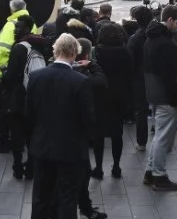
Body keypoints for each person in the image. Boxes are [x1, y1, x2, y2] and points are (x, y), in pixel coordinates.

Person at [26, 33, 94, 219]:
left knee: (41, 196)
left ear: (55, 51)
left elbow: (29, 114)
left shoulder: (36, 77)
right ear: (75, 53)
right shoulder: (80, 82)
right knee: (67, 198)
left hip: (42, 147)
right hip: (70, 150)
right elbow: (87, 120)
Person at [143, 5, 177, 191]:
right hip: (165, 94)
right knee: (163, 137)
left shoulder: (150, 38)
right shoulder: (166, 44)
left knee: (159, 134)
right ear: (169, 20)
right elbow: (169, 74)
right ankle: (159, 175)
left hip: (152, 91)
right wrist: (176, 96)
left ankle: (150, 171)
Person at [0, 0, 36, 154]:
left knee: (3, 110)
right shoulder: (31, 23)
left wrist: (1, 74)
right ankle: (18, 139)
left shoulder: (10, 25)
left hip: (7, 76)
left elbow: (4, 51)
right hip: (23, 74)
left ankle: (4, 140)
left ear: (11, 9)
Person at [2, 15, 46, 180]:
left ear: (26, 29)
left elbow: (12, 76)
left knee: (17, 135)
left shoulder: (19, 48)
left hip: (19, 99)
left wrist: (4, 75)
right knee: (32, 135)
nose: (15, 30)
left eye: (18, 27)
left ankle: (18, 167)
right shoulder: (41, 44)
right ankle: (32, 167)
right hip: (35, 97)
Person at [92, 23, 133, 179]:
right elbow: (130, 76)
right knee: (117, 133)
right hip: (119, 96)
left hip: (100, 96)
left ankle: (98, 167)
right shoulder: (125, 52)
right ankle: (116, 166)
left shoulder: (97, 52)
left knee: (98, 134)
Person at [73, 38, 108, 219]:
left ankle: (84, 206)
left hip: (58, 134)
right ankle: (84, 207)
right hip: (78, 129)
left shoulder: (55, 70)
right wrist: (92, 65)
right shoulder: (84, 75)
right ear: (87, 54)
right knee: (82, 170)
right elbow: (101, 82)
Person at [127, 6, 154, 151]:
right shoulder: (157, 35)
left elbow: (129, 62)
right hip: (156, 75)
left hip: (140, 78)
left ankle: (141, 142)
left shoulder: (134, 39)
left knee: (141, 110)